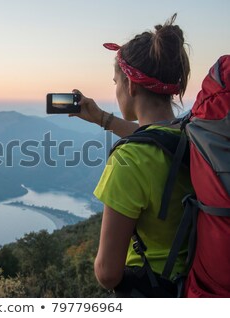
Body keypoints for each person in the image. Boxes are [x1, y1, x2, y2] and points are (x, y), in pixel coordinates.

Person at [70, 14, 193, 297]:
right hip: (194, 282)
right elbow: (155, 136)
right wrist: (102, 118)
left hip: (154, 290)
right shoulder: (192, 132)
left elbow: (107, 274)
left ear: (131, 85)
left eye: (116, 82)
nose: (115, 90)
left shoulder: (128, 161)